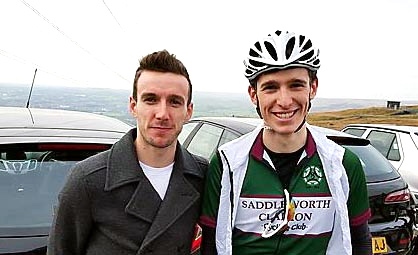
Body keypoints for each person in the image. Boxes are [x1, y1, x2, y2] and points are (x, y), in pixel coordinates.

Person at [199, 29, 372, 255]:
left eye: (296, 85)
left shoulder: (343, 165)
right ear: (253, 94)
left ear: (313, 88)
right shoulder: (227, 164)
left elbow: (360, 240)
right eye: (271, 87)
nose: (284, 101)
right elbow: (211, 244)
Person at [47, 50, 208, 255]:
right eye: (151, 99)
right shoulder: (89, 180)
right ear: (133, 106)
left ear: (189, 111)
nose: (162, 114)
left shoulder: (204, 177)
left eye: (175, 102)